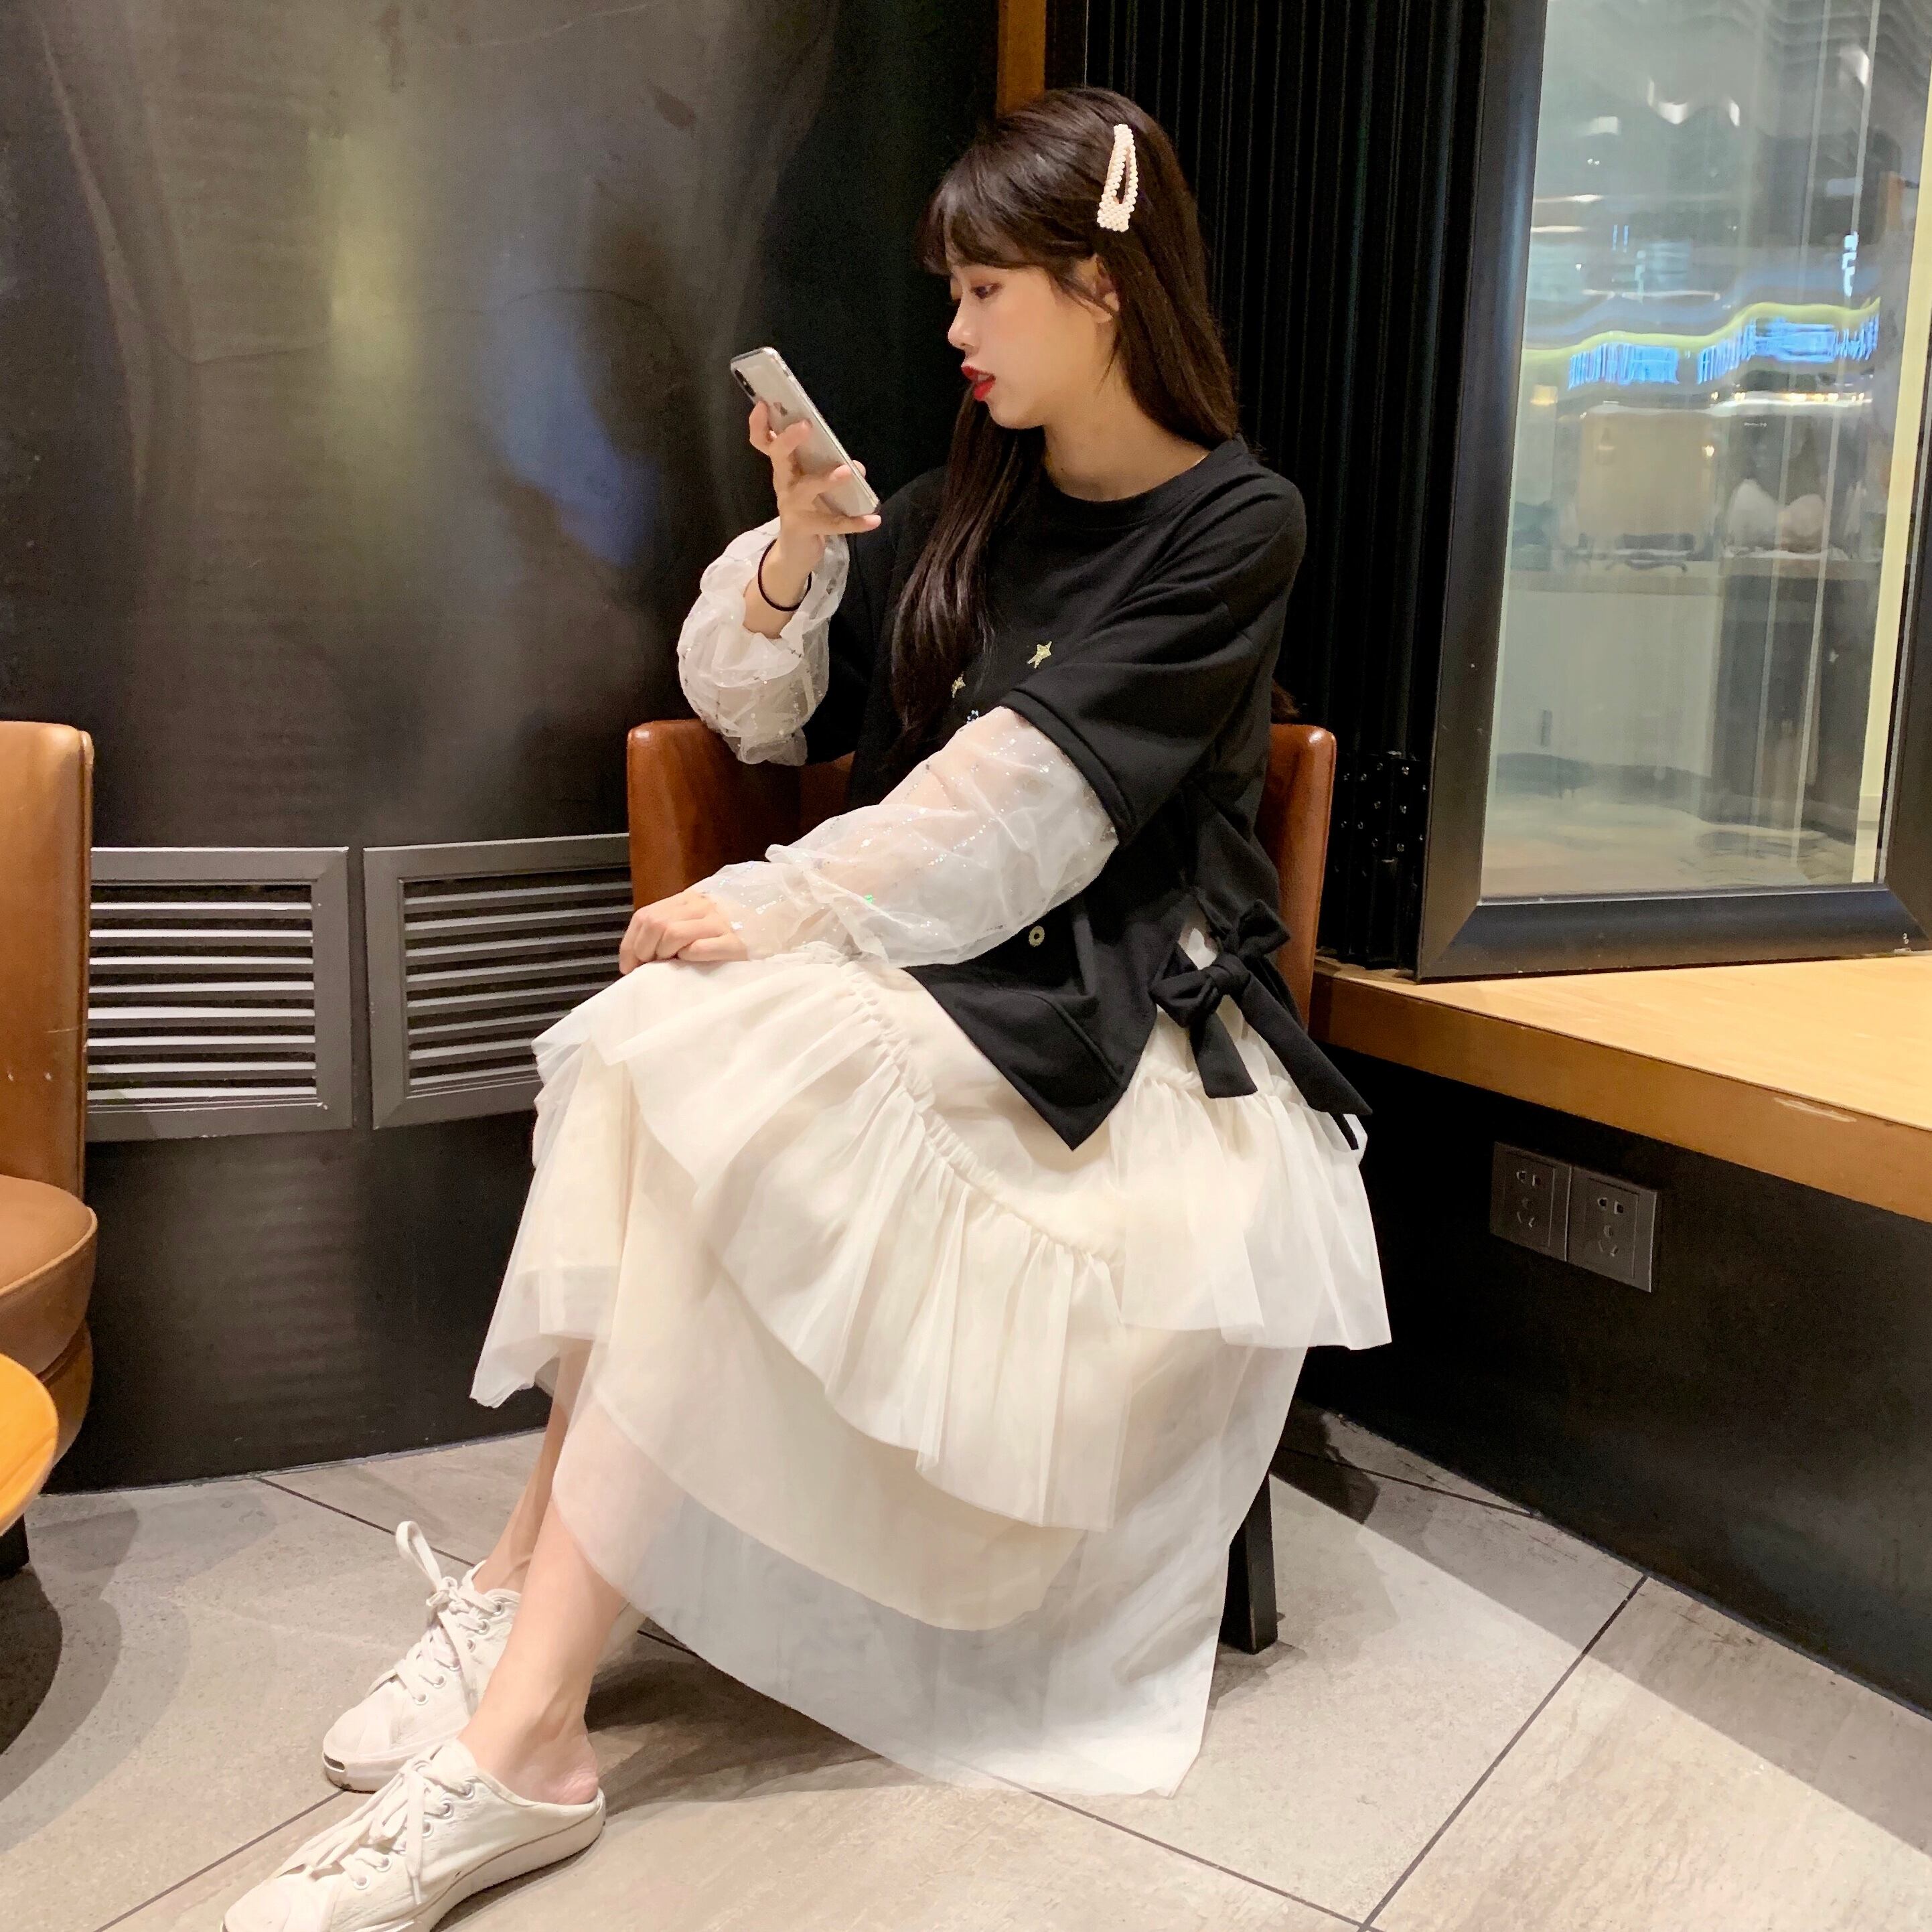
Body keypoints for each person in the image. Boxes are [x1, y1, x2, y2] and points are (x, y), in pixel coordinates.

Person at [224, 86, 1387, 1932]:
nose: (955, 330)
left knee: (708, 1071)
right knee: (676, 1065)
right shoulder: (962, 500)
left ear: (1102, 287)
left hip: (1110, 1016)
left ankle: (523, 1702)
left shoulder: (1237, 521)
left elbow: (1029, 807)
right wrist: (799, 546)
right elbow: (761, 717)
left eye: (986, 290)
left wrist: (767, 905)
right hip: (935, 969)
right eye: (953, 293)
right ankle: (528, 1661)